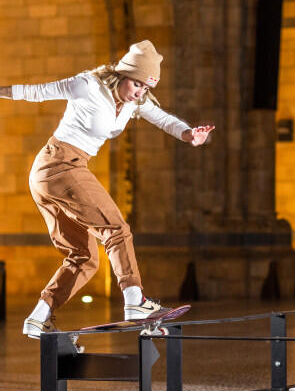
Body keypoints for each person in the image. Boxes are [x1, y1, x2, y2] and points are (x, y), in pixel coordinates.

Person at [0, 40, 215, 338]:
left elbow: (163, 119)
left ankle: (39, 316)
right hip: (59, 164)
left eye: (145, 88)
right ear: (122, 74)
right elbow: (37, 92)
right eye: (136, 84)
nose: (139, 92)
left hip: (59, 172)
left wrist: (189, 133)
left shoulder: (134, 102)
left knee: (84, 256)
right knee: (116, 229)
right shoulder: (87, 85)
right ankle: (134, 300)